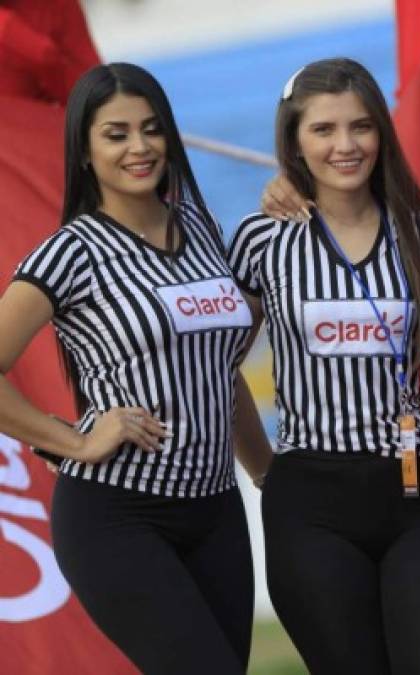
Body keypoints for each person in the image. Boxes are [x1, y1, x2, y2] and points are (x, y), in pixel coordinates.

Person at [0, 63, 272, 673]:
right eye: (116, 134)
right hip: (118, 516)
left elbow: (220, 372)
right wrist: (73, 440)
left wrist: (266, 476)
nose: (140, 147)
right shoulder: (72, 251)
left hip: (217, 511)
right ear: (84, 151)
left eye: (152, 129)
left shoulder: (203, 231)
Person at [229, 58, 420, 674]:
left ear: (382, 133)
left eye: (361, 127)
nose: (345, 145)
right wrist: (266, 473)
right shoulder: (262, 239)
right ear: (294, 140)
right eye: (323, 130)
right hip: (310, 503)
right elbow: (217, 369)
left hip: (418, 491)